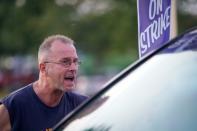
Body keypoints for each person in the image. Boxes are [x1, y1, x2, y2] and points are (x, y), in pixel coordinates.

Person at [0, 34, 88, 131]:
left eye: (75, 62)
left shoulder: (82, 106)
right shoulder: (13, 107)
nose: (73, 68)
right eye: (65, 62)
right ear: (43, 68)